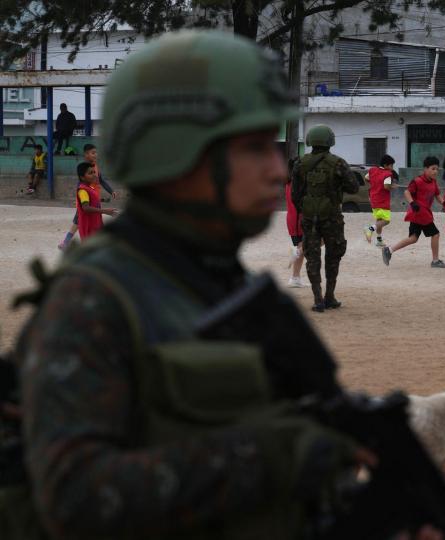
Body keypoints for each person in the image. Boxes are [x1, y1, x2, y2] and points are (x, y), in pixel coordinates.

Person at [13, 31, 373, 539]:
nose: (277, 172)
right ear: (176, 155)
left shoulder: (220, 282)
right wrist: (270, 454)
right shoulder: (96, 300)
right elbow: (73, 496)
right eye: (254, 149)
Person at [291, 124, 358, 313]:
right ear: (330, 141)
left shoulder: (300, 163)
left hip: (310, 217)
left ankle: (317, 299)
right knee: (333, 256)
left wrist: (306, 208)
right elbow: (353, 187)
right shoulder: (338, 163)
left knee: (312, 257)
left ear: (311, 141)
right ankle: (330, 296)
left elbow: (295, 194)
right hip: (332, 217)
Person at [381, 156, 445, 268]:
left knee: (413, 238)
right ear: (425, 169)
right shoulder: (418, 181)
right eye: (433, 169)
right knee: (435, 234)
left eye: (437, 169)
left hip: (421, 214)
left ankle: (389, 250)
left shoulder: (433, 182)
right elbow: (407, 192)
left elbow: (437, 195)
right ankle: (435, 261)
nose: (435, 171)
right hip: (420, 213)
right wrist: (412, 203)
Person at [59, 144, 118, 250]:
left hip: (94, 198)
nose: (96, 154)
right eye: (93, 153)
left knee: (94, 221)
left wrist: (111, 191)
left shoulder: (95, 167)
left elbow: (102, 180)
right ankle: (66, 242)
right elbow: (80, 187)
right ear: (86, 154)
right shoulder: (84, 169)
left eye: (96, 152)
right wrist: (79, 198)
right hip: (86, 200)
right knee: (78, 222)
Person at [74, 161, 118, 240]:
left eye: (94, 172)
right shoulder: (83, 191)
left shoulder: (90, 188)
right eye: (90, 173)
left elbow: (93, 202)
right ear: (82, 177)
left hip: (95, 226)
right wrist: (105, 211)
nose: (94, 175)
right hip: (88, 228)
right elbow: (86, 208)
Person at [364, 154, 397, 248]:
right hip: (382, 200)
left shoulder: (373, 170)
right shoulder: (388, 174)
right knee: (386, 220)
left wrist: (374, 183)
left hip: (373, 198)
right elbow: (386, 187)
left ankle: (379, 240)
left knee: (379, 220)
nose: (392, 168)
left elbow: (366, 178)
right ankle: (370, 229)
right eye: (391, 165)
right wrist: (392, 186)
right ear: (386, 165)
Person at [285, 157, 306, 288]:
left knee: (301, 248)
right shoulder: (300, 183)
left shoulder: (288, 181)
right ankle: (296, 252)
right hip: (300, 219)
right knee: (318, 240)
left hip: (292, 219)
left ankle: (295, 278)